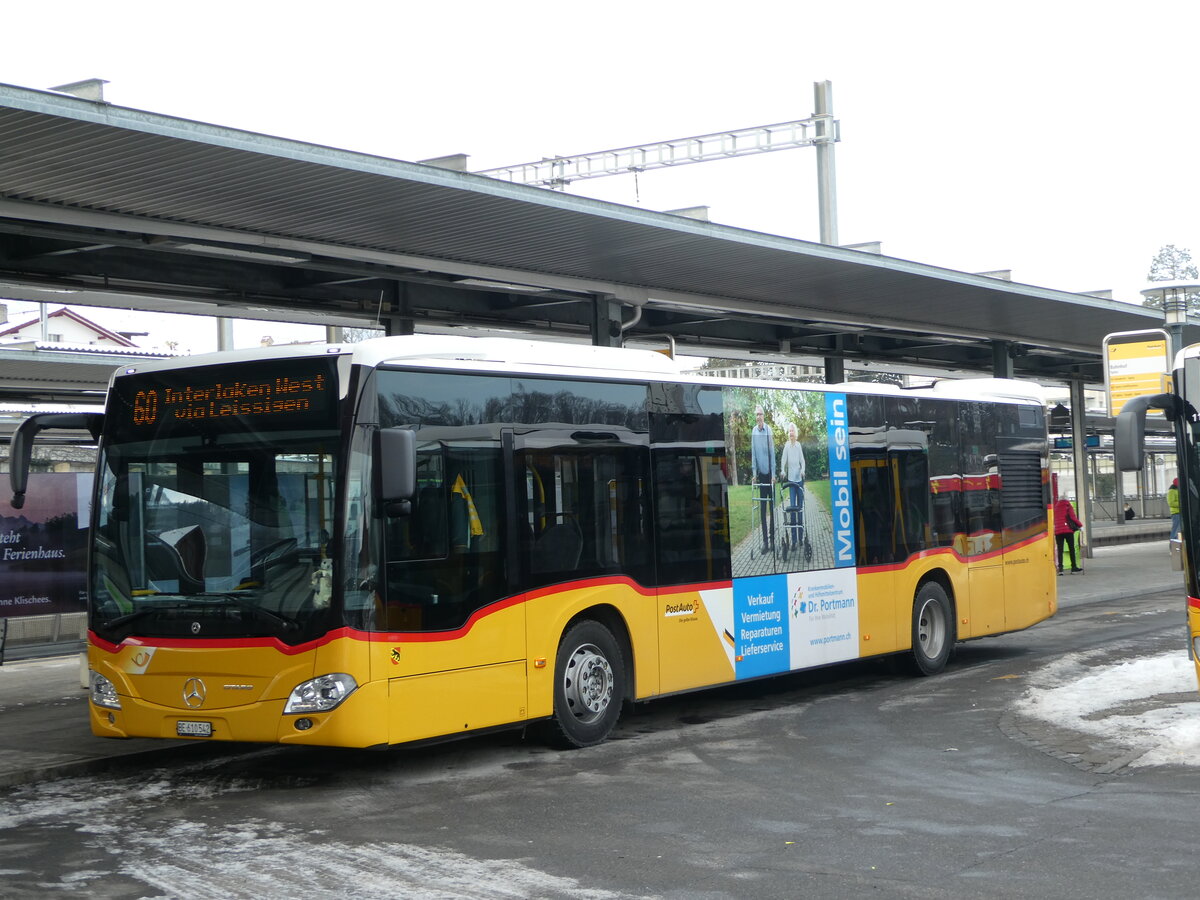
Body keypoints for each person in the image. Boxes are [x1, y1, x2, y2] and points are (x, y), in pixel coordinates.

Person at [750, 405, 775, 551]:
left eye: (760, 414)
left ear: (763, 416)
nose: (758, 417)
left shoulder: (768, 430)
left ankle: (772, 541)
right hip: (761, 476)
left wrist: (774, 475)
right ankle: (765, 542)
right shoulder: (753, 431)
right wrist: (754, 474)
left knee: (771, 509)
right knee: (762, 509)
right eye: (756, 414)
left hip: (770, 476)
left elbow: (772, 454)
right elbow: (753, 455)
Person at [779, 422, 806, 512]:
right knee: (792, 505)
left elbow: (802, 461)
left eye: (792, 431)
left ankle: (800, 525)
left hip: (799, 480)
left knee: (800, 506)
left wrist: (803, 470)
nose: (791, 433)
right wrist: (783, 470)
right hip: (791, 480)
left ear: (795, 433)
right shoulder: (787, 445)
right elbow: (783, 460)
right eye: (789, 431)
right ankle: (793, 525)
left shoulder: (798, 445)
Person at [1053, 495, 1083, 574]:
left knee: (1060, 550)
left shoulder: (1055, 507)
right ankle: (1073, 567)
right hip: (1068, 530)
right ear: (1067, 499)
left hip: (1058, 531)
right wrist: (1080, 525)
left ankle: (1061, 570)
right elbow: (1073, 518)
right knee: (1071, 548)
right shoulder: (1068, 506)